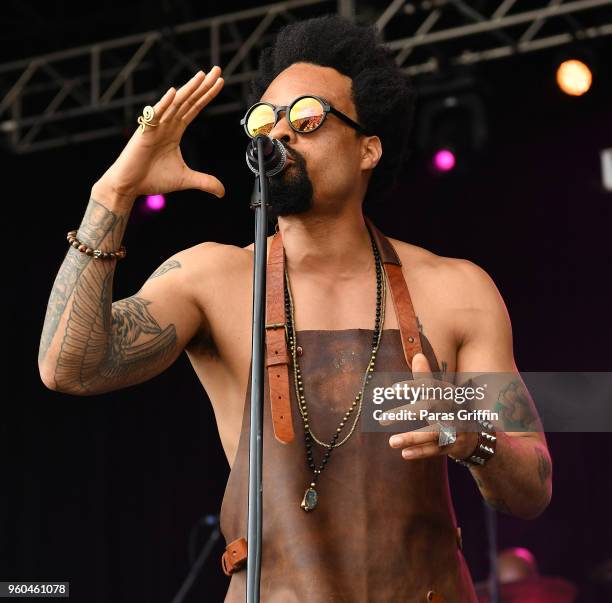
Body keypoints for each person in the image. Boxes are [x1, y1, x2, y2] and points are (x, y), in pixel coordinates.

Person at [38, 16, 552, 603]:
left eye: (306, 117)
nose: (277, 134)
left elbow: (532, 484)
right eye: (264, 119)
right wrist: (113, 192)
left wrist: (473, 437)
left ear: (368, 148)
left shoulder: (457, 289)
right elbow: (67, 367)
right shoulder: (211, 276)